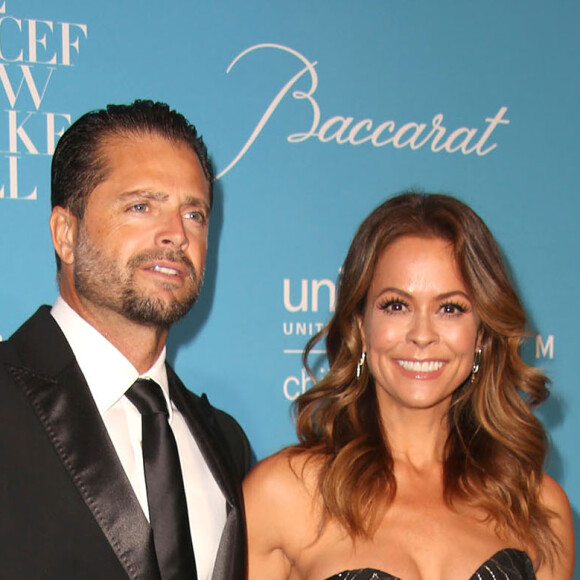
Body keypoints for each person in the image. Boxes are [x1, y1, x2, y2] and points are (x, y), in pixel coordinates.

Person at [244, 192, 575, 580]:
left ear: (482, 335)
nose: (422, 334)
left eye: (450, 308)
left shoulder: (538, 505)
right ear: (360, 327)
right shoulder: (282, 495)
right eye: (396, 305)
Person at [0, 100, 250, 580]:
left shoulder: (226, 442)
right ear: (65, 233)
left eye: (194, 214)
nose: (176, 234)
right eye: (141, 206)